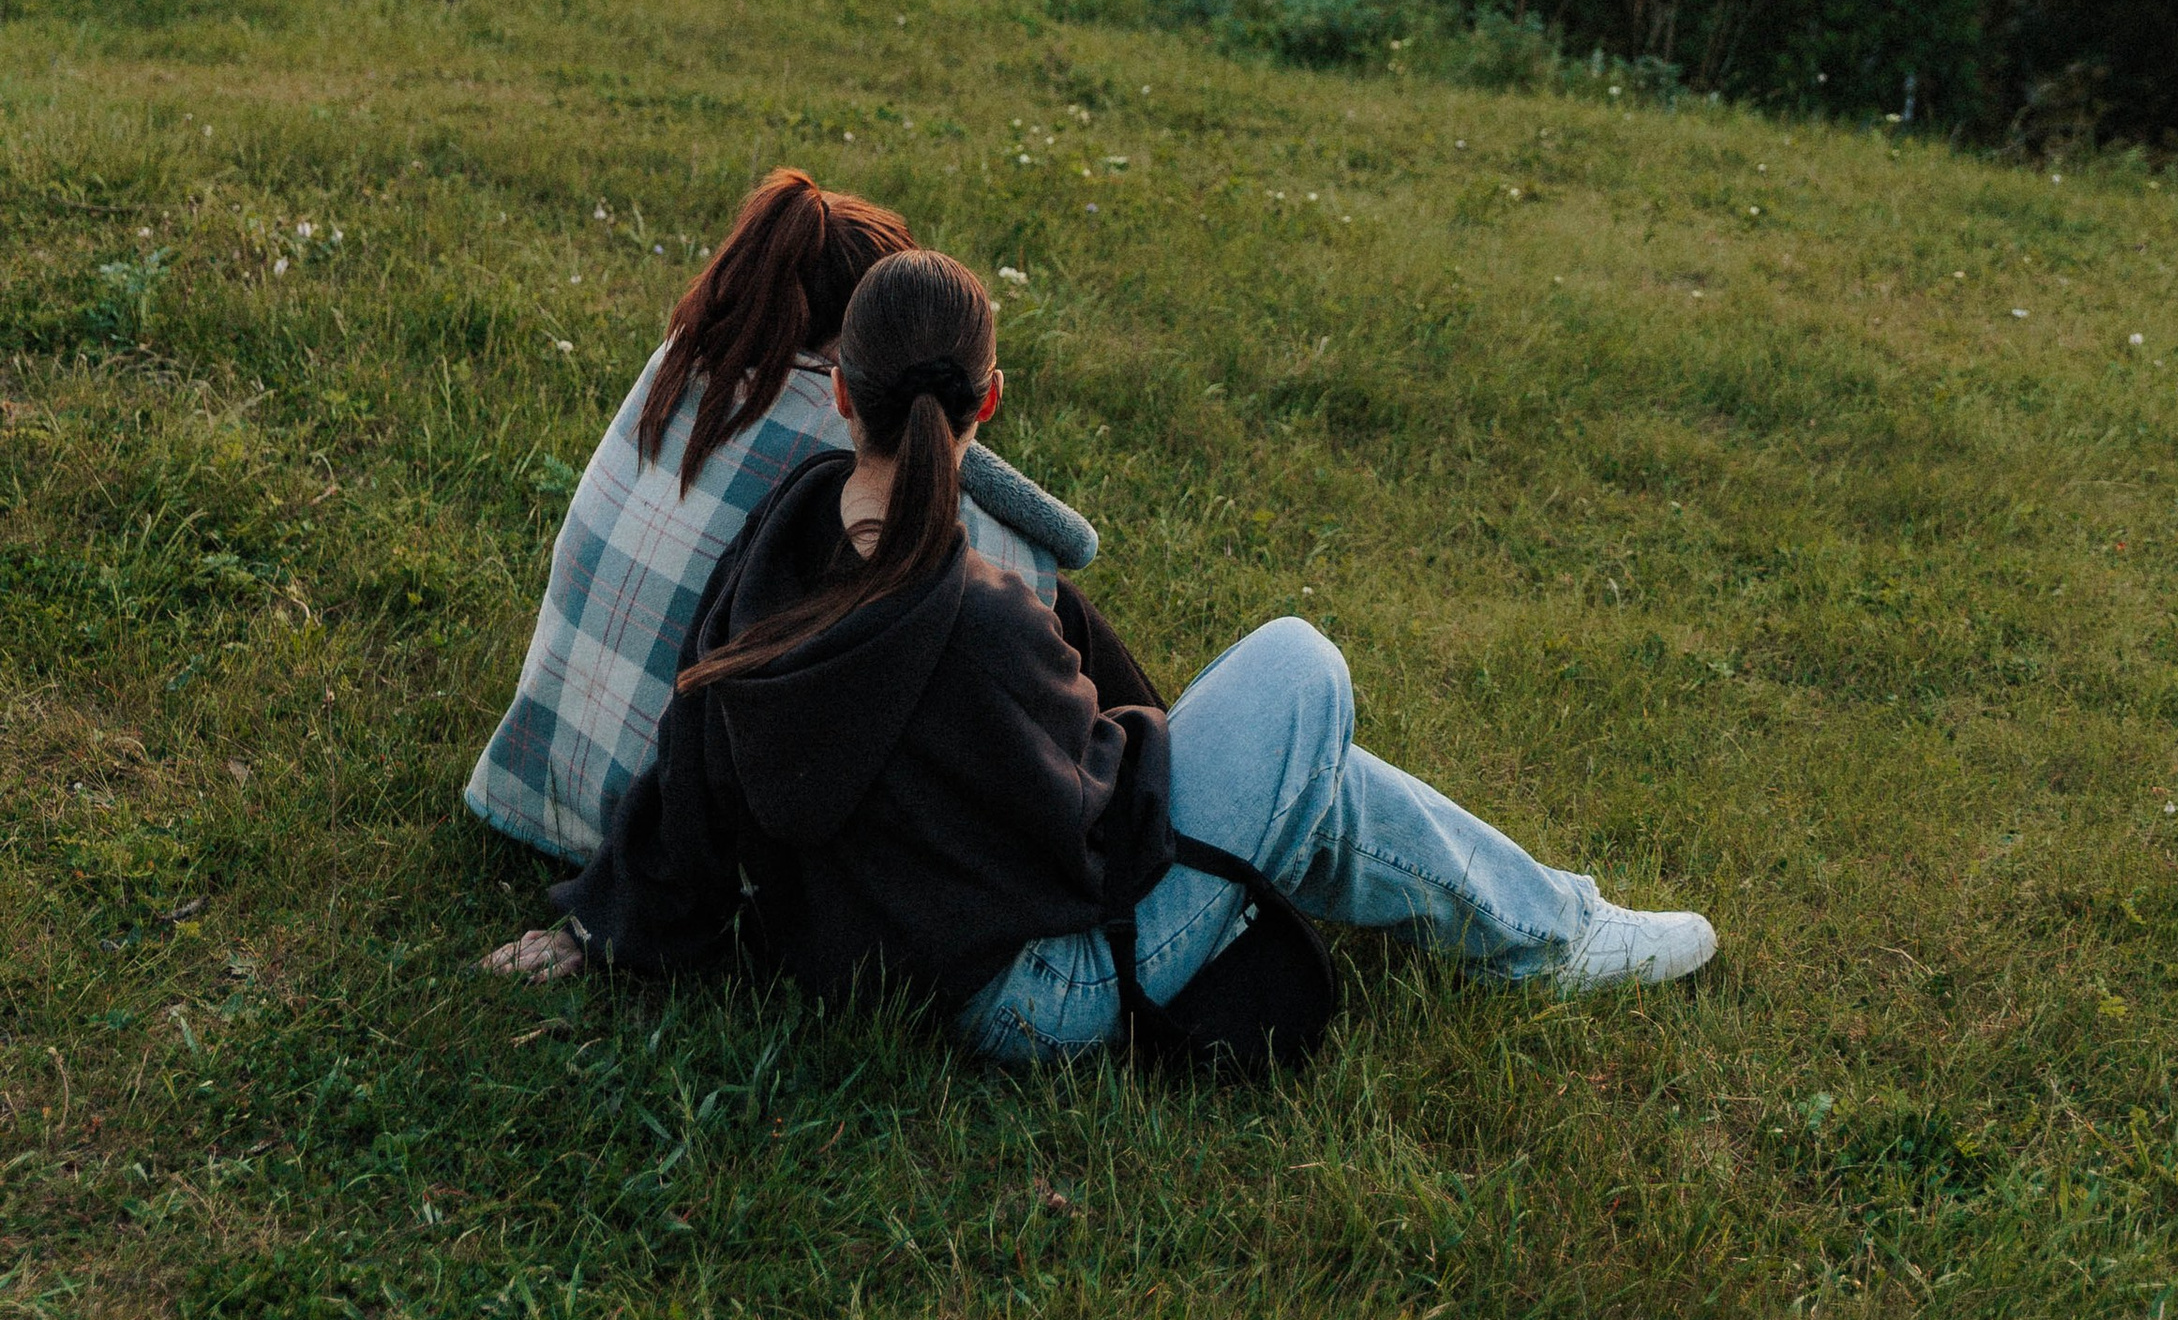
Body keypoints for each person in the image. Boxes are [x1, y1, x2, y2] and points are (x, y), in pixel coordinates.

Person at [486, 247, 1718, 1044]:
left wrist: (599, 929)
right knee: (1297, 669)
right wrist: (1146, 737)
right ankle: (1558, 934)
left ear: (841, 396)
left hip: (882, 968)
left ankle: (1544, 928)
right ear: (988, 402)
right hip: (1046, 996)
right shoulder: (979, 617)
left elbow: (689, 773)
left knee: (1322, 784)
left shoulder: (779, 540)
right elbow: (1099, 839)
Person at [467, 171, 1101, 862]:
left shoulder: (681, 366)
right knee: (1038, 612)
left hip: (542, 784)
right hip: (671, 836)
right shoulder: (836, 438)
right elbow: (1037, 577)